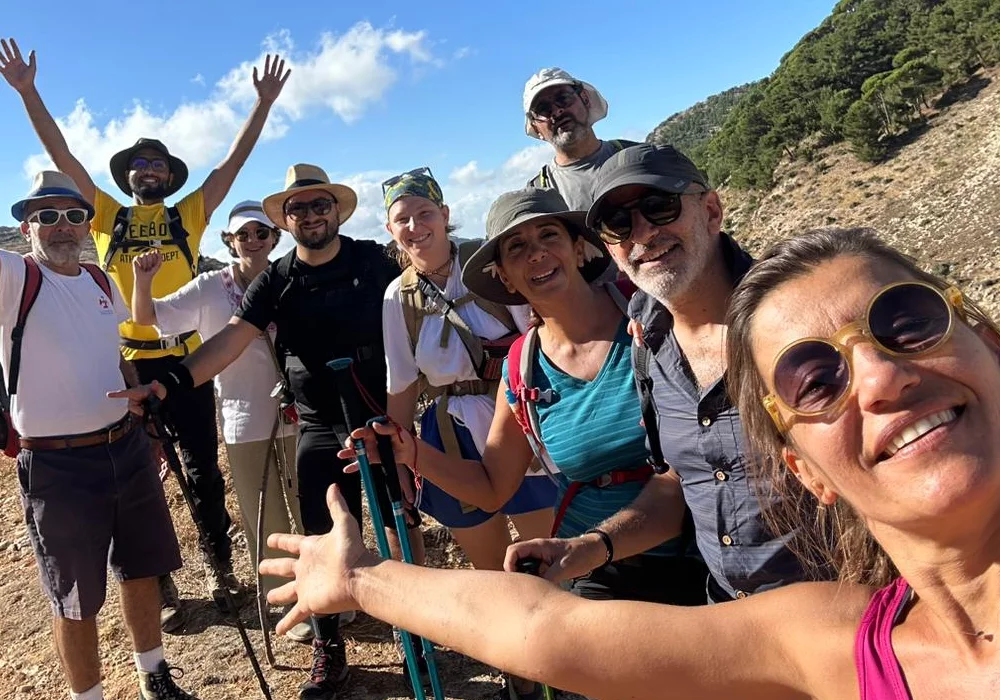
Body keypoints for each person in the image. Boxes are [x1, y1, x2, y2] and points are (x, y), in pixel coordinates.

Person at [264, 226, 1000, 700]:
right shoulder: (838, 644)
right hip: (612, 574)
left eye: (911, 321)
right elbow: (542, 621)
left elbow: (678, 479)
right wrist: (368, 557)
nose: (878, 379)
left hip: (702, 570)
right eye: (815, 381)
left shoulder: (654, 335)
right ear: (801, 466)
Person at [0, 37, 291, 630]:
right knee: (137, 477)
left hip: (187, 364)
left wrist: (261, 105)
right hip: (123, 365)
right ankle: (158, 583)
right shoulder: (103, 214)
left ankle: (220, 570)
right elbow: (65, 158)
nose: (149, 169)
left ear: (168, 174)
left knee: (204, 472)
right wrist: (30, 94)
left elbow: (229, 166)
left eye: (158, 162)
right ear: (129, 176)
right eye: (140, 163)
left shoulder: (188, 216)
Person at [112, 164, 407, 700]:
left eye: (321, 205)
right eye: (299, 208)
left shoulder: (374, 259)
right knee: (321, 535)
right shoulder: (278, 279)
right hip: (317, 424)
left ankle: (416, 631)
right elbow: (229, 339)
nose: (312, 215)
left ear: (336, 211)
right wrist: (171, 383)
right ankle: (329, 647)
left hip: (378, 417)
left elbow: (421, 288)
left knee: (394, 529)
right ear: (286, 220)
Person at [355, 187, 704, 611]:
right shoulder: (521, 369)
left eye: (549, 236)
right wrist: (410, 453)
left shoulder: (656, 316)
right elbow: (491, 488)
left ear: (579, 248)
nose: (536, 254)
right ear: (503, 277)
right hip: (599, 571)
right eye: (517, 247)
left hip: (702, 549)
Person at [509, 144, 808, 602]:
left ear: (711, 210)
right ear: (609, 246)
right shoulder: (650, 344)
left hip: (842, 614)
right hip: (727, 616)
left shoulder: (800, 314)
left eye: (659, 206)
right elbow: (676, 481)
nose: (643, 234)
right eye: (619, 224)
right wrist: (589, 548)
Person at [2, 171, 195, 700]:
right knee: (76, 598)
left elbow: (114, 352)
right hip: (57, 466)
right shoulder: (14, 278)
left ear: (88, 224)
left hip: (125, 446)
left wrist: (137, 399)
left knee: (142, 570)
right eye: (47, 216)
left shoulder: (98, 280)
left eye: (74, 215)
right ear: (26, 226)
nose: (63, 226)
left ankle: (154, 676)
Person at [381, 169, 558, 698]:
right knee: (491, 569)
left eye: (424, 213)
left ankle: (557, 662)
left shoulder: (490, 263)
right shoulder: (398, 297)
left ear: (444, 214)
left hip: (521, 420)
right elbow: (401, 385)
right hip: (449, 435)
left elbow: (542, 332)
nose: (415, 227)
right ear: (391, 231)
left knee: (540, 557)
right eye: (402, 220)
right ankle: (519, 676)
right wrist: (401, 464)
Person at [129, 200, 302, 611]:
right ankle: (285, 603)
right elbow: (147, 317)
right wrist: (142, 279)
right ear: (230, 240)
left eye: (261, 233)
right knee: (265, 516)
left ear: (275, 237)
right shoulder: (210, 288)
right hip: (243, 419)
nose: (253, 241)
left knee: (309, 506)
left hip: (298, 415)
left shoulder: (292, 277)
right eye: (243, 234)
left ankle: (332, 598)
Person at [522, 67, 639, 210]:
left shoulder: (638, 156)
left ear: (585, 100)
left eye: (563, 99)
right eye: (543, 109)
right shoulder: (538, 195)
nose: (557, 111)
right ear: (535, 128)